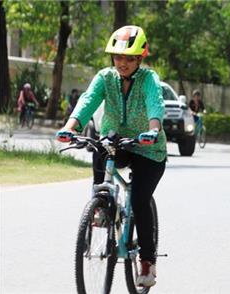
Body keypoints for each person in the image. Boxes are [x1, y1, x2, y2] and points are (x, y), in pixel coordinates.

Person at [55, 25, 166, 287]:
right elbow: (88, 100)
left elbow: (155, 103)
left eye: (128, 58)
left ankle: (147, 262)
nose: (122, 63)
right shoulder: (105, 78)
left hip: (148, 148)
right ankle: (101, 201)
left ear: (140, 58)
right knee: (99, 147)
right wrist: (70, 128)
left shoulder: (149, 79)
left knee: (139, 200)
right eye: (117, 57)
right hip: (117, 141)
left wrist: (153, 129)